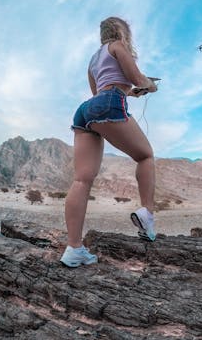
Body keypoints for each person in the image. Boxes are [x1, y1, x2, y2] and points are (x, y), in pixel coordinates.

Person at [60, 17, 158, 267]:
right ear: (121, 32)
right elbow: (136, 77)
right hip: (109, 103)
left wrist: (133, 93)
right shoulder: (117, 46)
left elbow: (101, 92)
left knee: (81, 179)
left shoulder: (93, 59)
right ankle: (146, 212)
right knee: (145, 156)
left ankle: (74, 249)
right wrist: (149, 85)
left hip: (86, 110)